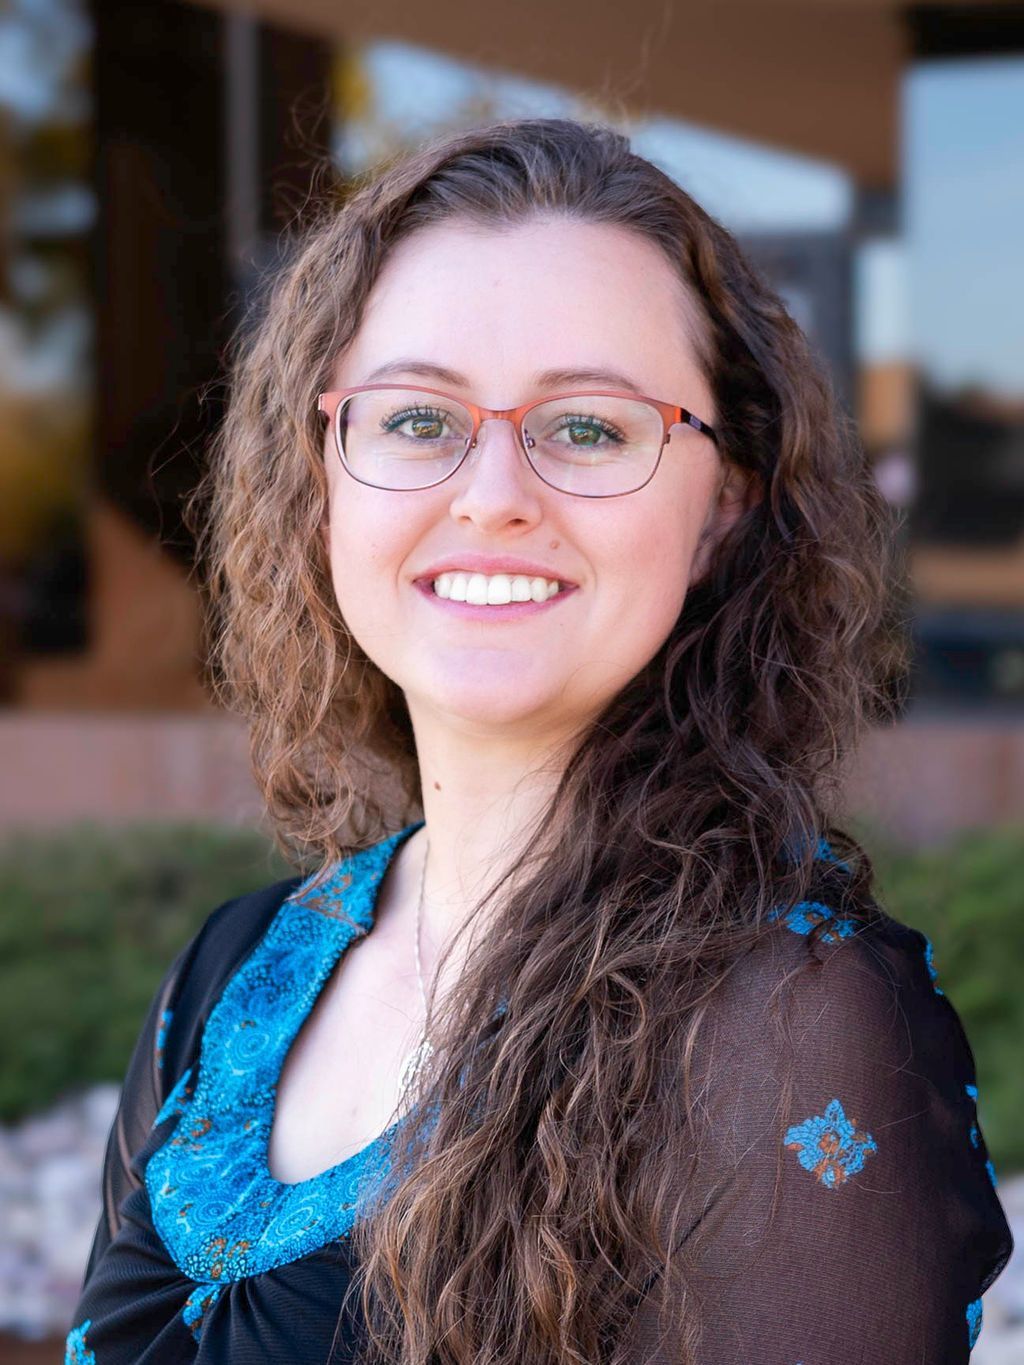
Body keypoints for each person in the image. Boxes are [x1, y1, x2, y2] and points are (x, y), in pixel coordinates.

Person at [66, 118, 1012, 1365]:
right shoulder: (234, 969)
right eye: (415, 419)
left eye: (588, 428)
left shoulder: (783, 1027)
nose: (493, 491)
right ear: (322, 474)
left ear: (723, 503)